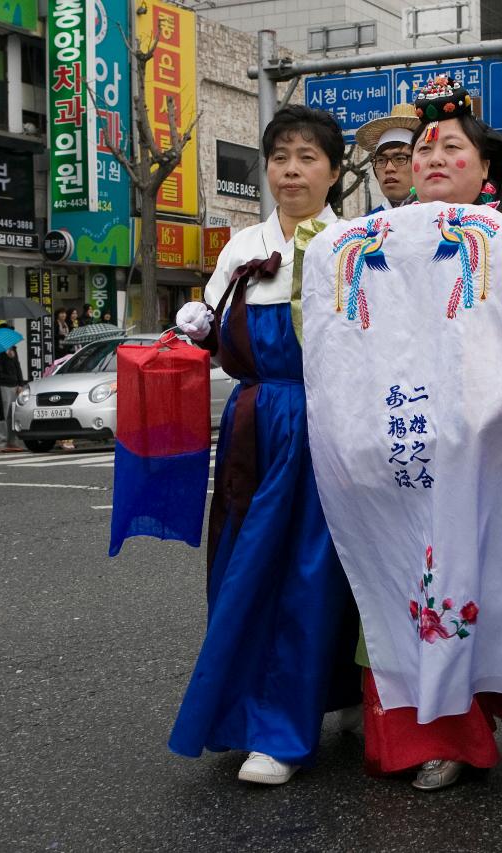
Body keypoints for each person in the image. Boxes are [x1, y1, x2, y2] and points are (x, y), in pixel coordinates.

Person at [337, 76, 502, 793]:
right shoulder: (365, 239)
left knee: (498, 570)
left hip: (490, 441)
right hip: (404, 441)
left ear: (484, 167)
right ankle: (436, 733)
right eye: (422, 148)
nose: (432, 156)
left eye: (451, 146)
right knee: (402, 582)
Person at [168, 105, 360, 786]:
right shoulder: (242, 245)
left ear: (335, 171)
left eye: (308, 157)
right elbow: (209, 325)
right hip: (253, 424)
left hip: (327, 426)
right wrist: (194, 322)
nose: (291, 170)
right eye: (280, 156)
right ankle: (250, 710)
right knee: (241, 568)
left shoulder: (354, 244)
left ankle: (285, 727)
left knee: (315, 574)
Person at [355, 103, 418, 212]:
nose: (389, 168)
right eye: (381, 160)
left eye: (400, 158)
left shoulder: (442, 219)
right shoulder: (364, 226)